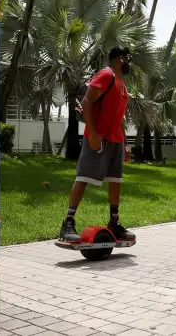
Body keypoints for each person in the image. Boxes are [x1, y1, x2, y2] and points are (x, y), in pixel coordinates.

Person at [59, 46, 136, 243]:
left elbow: (119, 117)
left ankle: (114, 223)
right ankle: (68, 222)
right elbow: (86, 101)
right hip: (97, 137)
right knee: (83, 177)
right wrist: (93, 133)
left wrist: (126, 143)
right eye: (128, 59)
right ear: (120, 59)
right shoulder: (105, 75)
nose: (129, 63)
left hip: (115, 140)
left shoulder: (121, 84)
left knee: (115, 180)